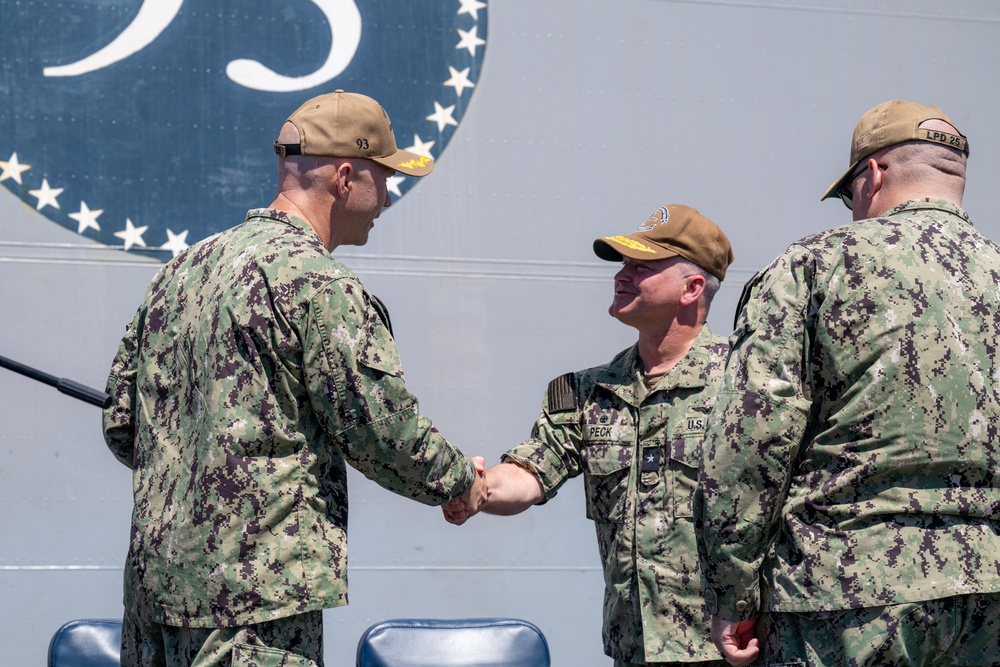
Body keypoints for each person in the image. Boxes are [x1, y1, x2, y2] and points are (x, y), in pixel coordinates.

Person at [102, 89, 488, 667]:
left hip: (154, 601)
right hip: (252, 609)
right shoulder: (319, 284)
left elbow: (121, 425)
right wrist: (460, 482)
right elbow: (380, 431)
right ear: (344, 176)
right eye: (383, 178)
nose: (385, 199)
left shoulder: (181, 271)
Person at [694, 99, 1000, 667]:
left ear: (874, 173)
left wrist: (732, 592)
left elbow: (749, 442)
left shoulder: (814, 266)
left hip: (846, 594)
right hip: (988, 593)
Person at [444, 204, 735, 666]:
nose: (622, 275)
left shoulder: (748, 382)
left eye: (642, 266)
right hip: (633, 649)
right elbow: (531, 473)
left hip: (727, 648)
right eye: (622, 264)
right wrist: (476, 488)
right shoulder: (587, 391)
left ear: (692, 288)